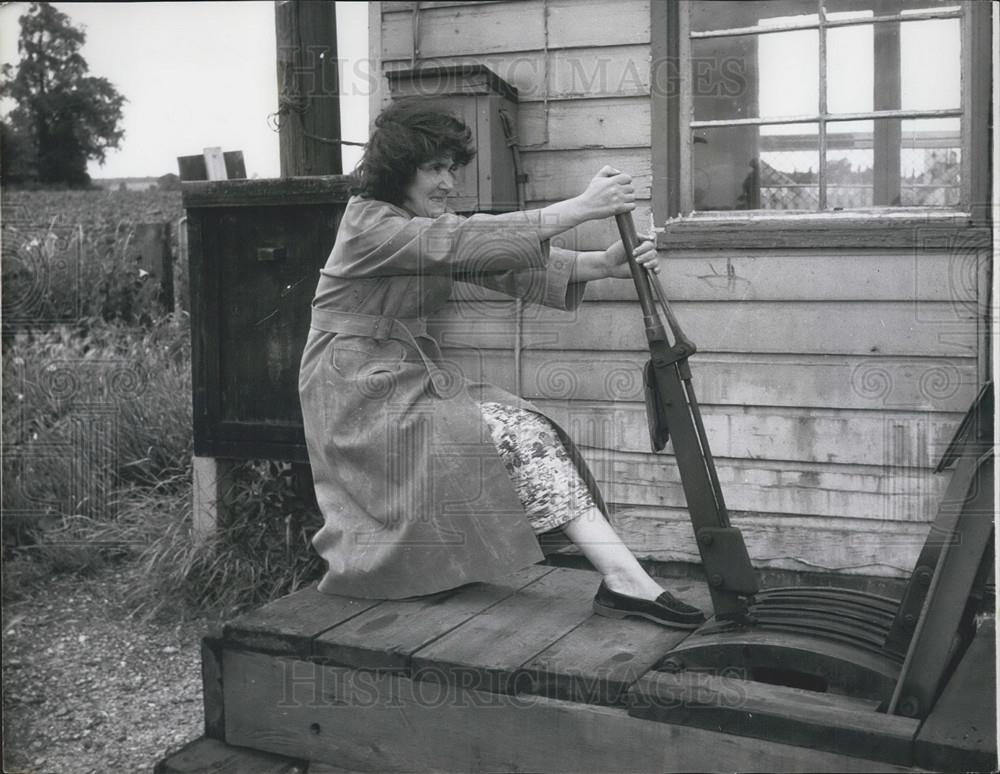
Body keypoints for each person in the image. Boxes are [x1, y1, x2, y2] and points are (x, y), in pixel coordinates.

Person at [298, 101, 706, 629]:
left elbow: (500, 266)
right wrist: (581, 207)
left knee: (524, 431)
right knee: (511, 433)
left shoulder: (421, 223)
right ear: (399, 169)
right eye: (435, 168)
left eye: (452, 169)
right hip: (351, 388)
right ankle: (624, 579)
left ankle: (624, 578)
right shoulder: (369, 223)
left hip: (399, 376)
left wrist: (603, 266)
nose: (448, 183)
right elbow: (467, 240)